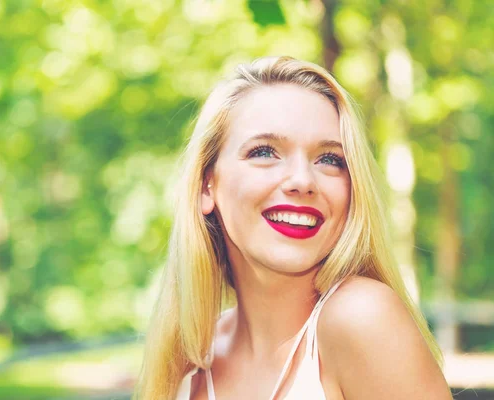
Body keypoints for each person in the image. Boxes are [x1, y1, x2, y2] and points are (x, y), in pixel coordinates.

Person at [136, 56, 452, 400]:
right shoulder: (187, 363)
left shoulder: (361, 317)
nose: (303, 180)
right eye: (265, 152)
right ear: (206, 186)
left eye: (329, 159)